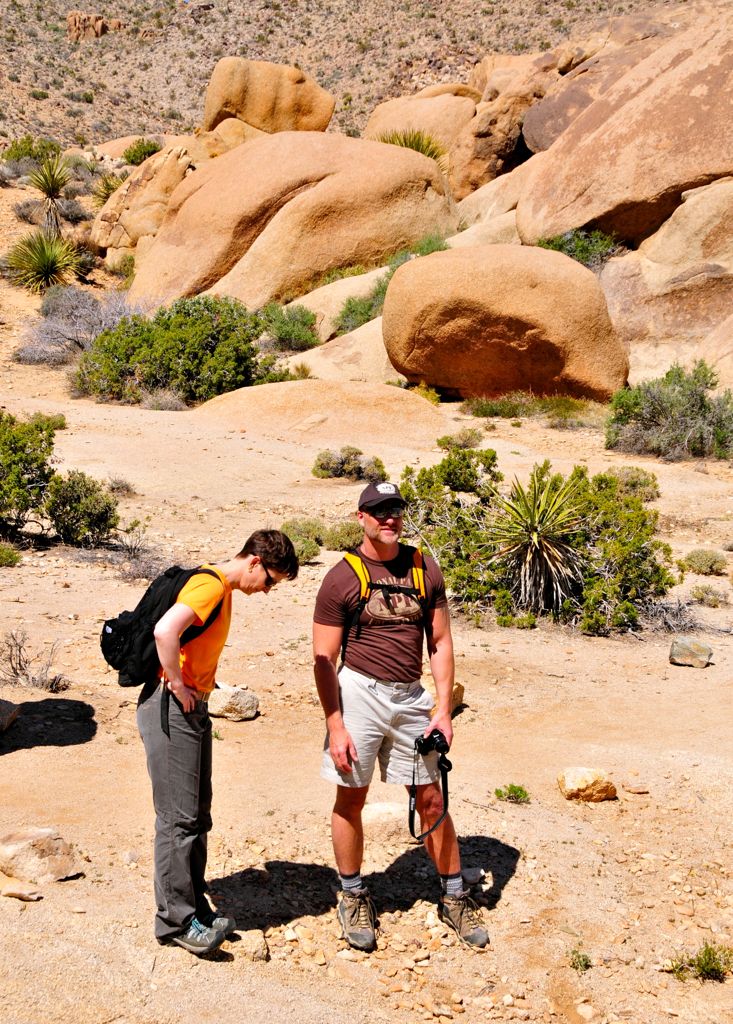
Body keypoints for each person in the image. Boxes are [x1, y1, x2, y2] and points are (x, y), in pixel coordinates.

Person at [312, 481, 488, 951]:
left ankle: (454, 894)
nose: (389, 519)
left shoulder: (423, 567)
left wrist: (444, 709)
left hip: (410, 697)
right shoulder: (341, 578)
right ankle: (351, 893)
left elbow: (442, 641)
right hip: (359, 693)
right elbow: (323, 658)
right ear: (361, 518)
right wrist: (335, 724)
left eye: (395, 510)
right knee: (352, 795)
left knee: (430, 797)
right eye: (378, 511)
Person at [138, 529, 299, 956]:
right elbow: (164, 632)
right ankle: (175, 921)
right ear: (254, 561)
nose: (266, 591)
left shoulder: (221, 589)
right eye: (269, 581)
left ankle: (194, 909)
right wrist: (177, 684)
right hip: (171, 707)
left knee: (196, 815)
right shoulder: (211, 585)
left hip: (190, 708)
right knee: (178, 818)